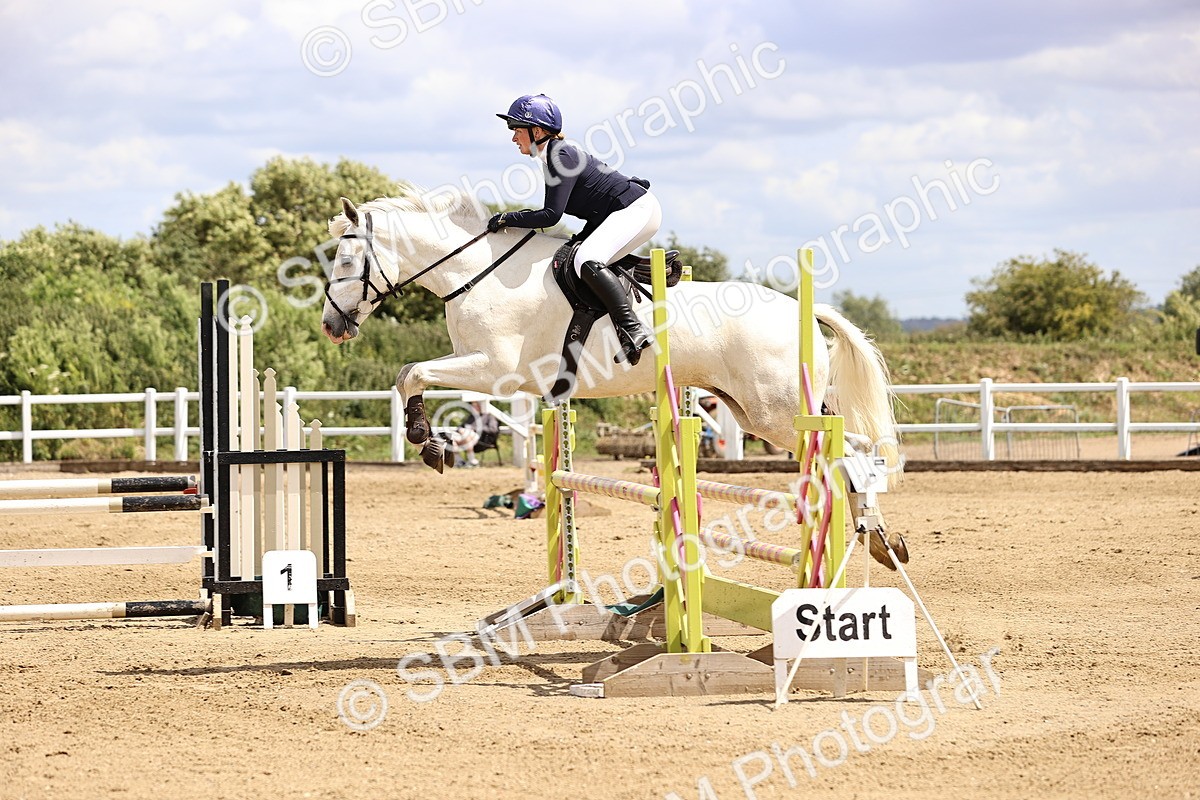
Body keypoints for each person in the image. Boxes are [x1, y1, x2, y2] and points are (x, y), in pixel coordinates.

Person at [490, 93, 662, 366]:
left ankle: (633, 329)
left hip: (635, 209)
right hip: (616, 213)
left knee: (586, 259)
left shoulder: (560, 155)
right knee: (574, 254)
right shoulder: (552, 157)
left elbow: (551, 215)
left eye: (517, 130)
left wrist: (506, 219)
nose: (513, 138)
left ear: (537, 131)